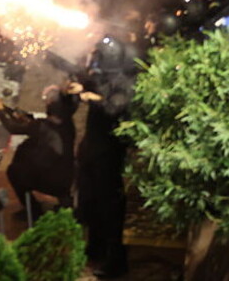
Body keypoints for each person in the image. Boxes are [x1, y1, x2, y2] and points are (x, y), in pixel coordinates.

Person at [67, 35, 138, 278]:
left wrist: (89, 97)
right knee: (88, 201)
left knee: (109, 209)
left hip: (109, 153)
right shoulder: (103, 75)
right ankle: (94, 248)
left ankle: (115, 261)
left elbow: (113, 106)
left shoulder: (125, 81)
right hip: (92, 149)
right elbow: (88, 81)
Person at [0, 85, 79, 215]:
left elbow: (14, 128)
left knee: (13, 171)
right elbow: (35, 124)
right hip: (67, 178)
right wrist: (14, 113)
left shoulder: (41, 126)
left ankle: (33, 211)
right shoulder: (68, 124)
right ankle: (66, 203)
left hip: (50, 181)